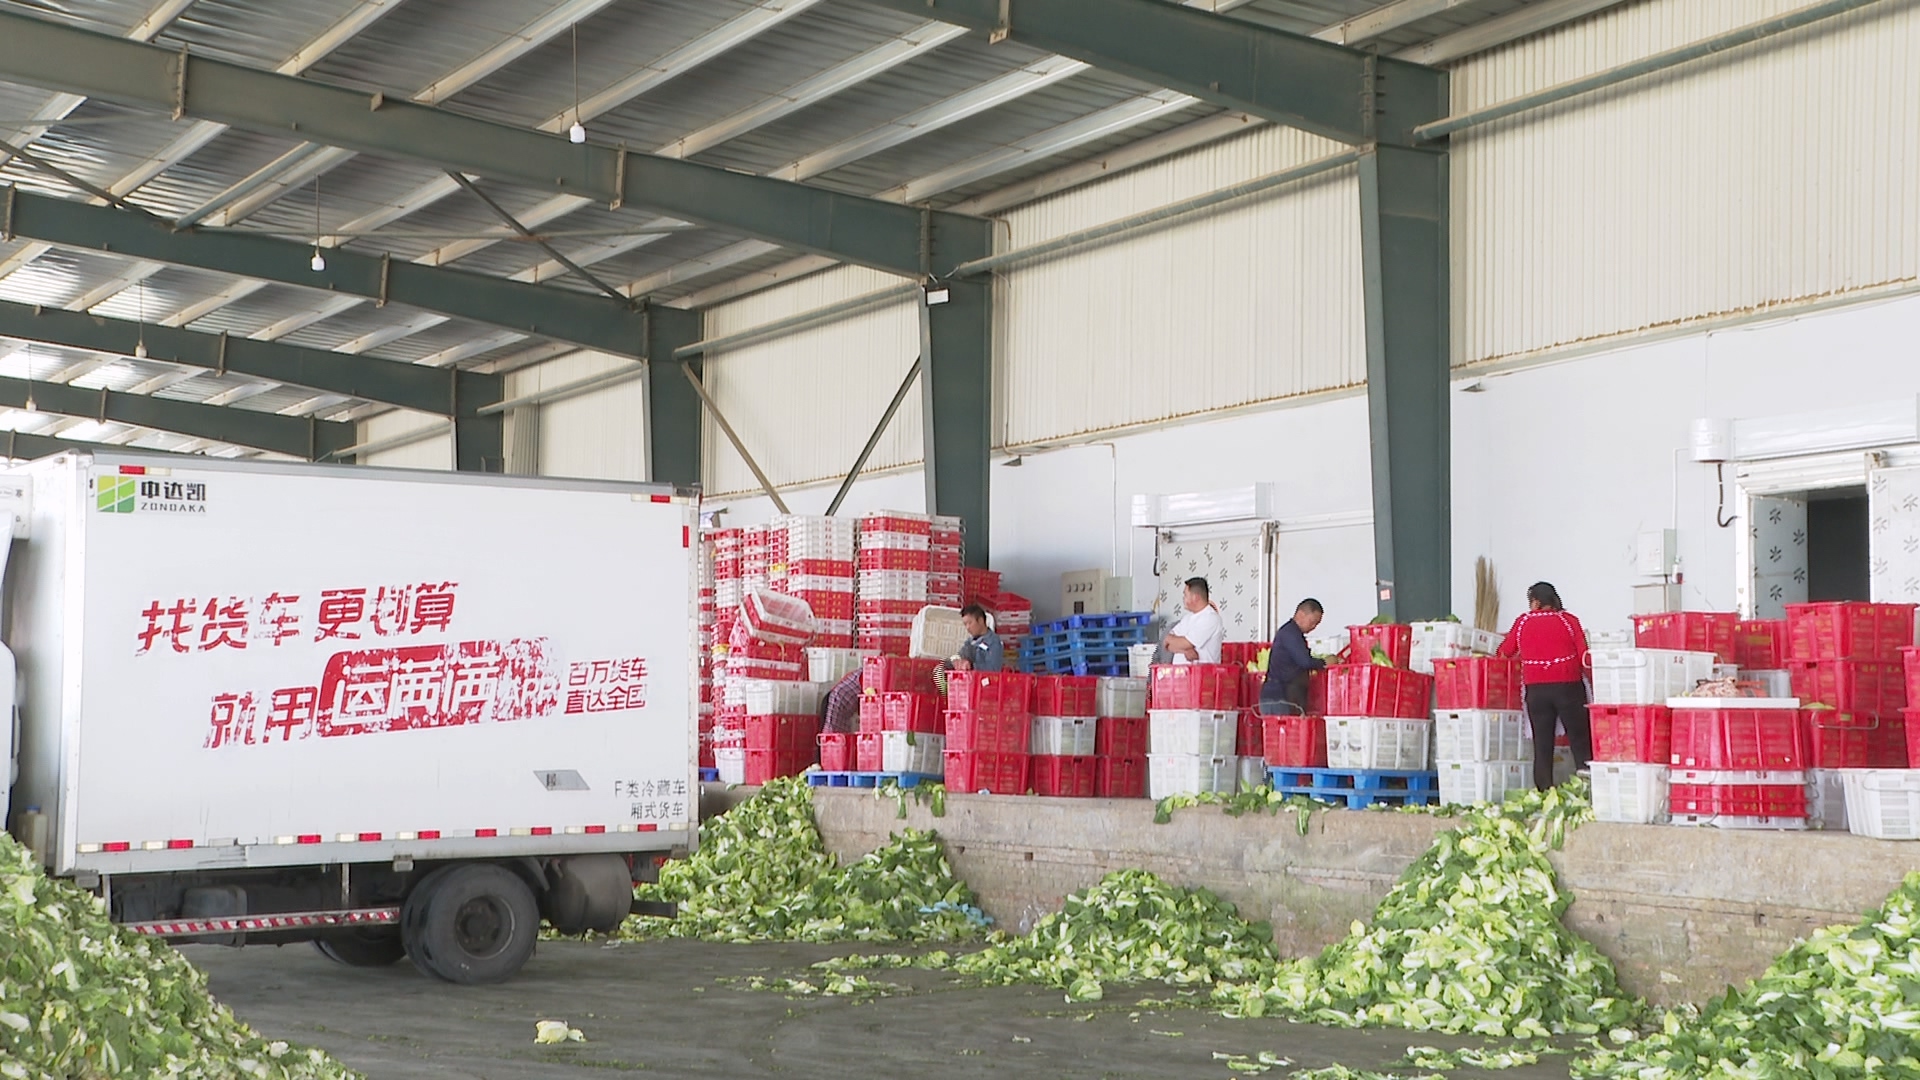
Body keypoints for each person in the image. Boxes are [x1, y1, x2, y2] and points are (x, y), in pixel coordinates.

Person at [1497, 581, 1592, 791]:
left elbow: (1504, 652)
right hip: (1569, 687)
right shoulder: (1569, 621)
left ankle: (1544, 791)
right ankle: (1586, 788)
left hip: (1537, 691)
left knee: (1542, 743)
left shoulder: (1522, 622)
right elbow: (1584, 656)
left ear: (1537, 602)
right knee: (1579, 737)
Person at [1259, 598, 1327, 715]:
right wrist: (1324, 662)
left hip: (1282, 696)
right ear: (1300, 615)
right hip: (1278, 698)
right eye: (1312, 622)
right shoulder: (1290, 633)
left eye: (1317, 624)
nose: (1313, 627)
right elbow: (1305, 661)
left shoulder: (1293, 634)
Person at [1162, 577, 1224, 665]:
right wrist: (1184, 650)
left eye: (1185, 595)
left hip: (1203, 675)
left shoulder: (1210, 618)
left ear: (1196, 597)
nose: (1183, 599)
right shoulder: (1187, 618)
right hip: (1181, 675)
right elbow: (1167, 645)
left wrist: (1174, 641)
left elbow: (1186, 643)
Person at [951, 604, 1003, 672]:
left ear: (980, 620)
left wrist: (971, 666)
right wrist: (956, 661)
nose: (967, 627)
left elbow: (993, 669)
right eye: (965, 624)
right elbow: (960, 654)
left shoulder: (993, 642)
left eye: (970, 623)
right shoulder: (970, 641)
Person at [819, 668, 863, 735]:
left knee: (841, 737)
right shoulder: (866, 675)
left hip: (838, 702)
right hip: (836, 701)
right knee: (832, 737)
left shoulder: (860, 673)